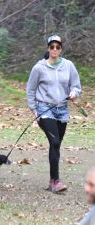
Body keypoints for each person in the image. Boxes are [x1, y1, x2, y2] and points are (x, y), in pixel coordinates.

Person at [26, 35, 81, 193]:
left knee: (55, 145)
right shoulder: (39, 67)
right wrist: (34, 109)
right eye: (52, 47)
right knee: (55, 142)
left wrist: (73, 93)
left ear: (61, 49)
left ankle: (52, 181)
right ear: (48, 48)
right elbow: (30, 89)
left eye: (58, 47)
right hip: (45, 109)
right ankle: (56, 181)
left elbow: (76, 86)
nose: (55, 49)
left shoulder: (69, 65)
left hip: (62, 109)